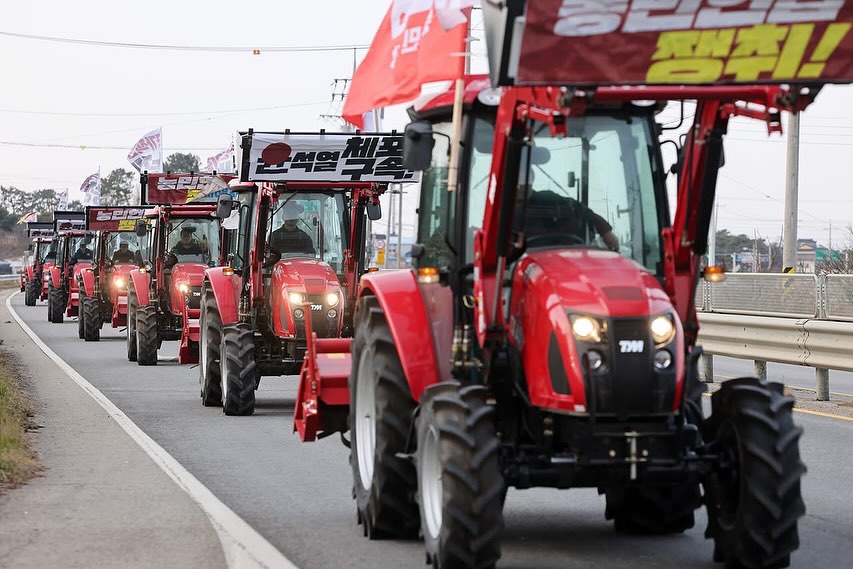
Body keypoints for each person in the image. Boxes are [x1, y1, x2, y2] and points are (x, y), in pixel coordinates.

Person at [523, 189, 620, 252]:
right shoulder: (509, 208)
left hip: (562, 259)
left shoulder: (546, 199)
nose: (520, 187)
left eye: (524, 183)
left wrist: (606, 232)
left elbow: (578, 209)